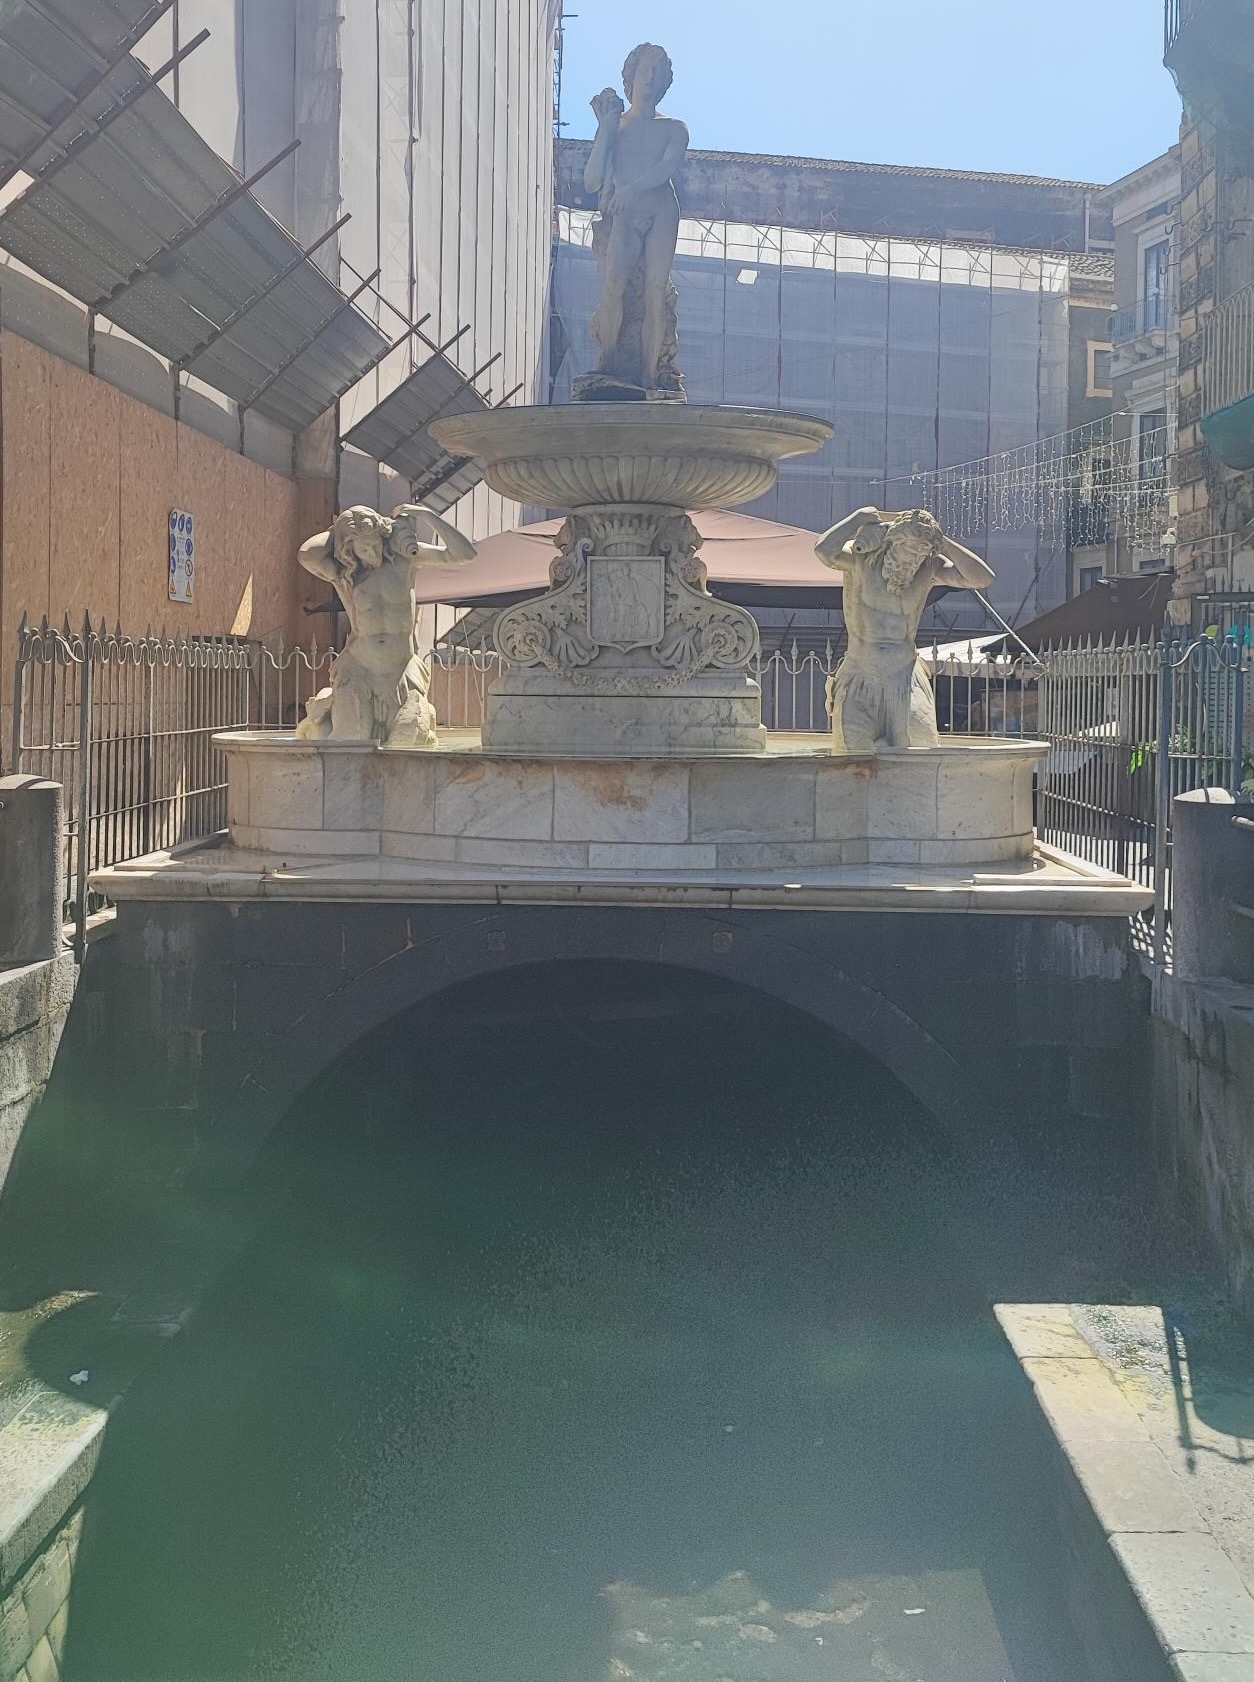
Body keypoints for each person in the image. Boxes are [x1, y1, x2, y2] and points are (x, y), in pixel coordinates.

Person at [815, 507, 995, 753]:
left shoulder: (929, 568)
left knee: (919, 757)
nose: (911, 561)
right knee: (854, 761)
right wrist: (860, 517)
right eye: (907, 551)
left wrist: (941, 541)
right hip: (861, 675)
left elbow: (982, 579)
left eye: (919, 555)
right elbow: (823, 550)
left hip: (905, 678)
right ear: (892, 541)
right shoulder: (861, 558)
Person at [296, 504, 475, 747]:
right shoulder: (346, 573)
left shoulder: (406, 560)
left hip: (401, 670)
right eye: (363, 548)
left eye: (375, 543)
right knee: (351, 742)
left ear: (383, 536)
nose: (372, 552)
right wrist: (340, 529)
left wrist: (427, 516)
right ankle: (326, 710)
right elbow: (307, 553)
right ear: (350, 550)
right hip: (359, 669)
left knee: (407, 737)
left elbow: (464, 554)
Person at [580, 43, 688, 397]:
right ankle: (608, 362)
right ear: (631, 76)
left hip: (660, 210)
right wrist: (606, 130)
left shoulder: (674, 127)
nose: (651, 78)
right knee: (614, 285)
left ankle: (648, 372)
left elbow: (666, 168)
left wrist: (631, 190)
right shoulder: (617, 127)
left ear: (664, 83)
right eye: (646, 70)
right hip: (625, 214)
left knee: (656, 292)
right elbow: (592, 180)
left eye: (658, 73)